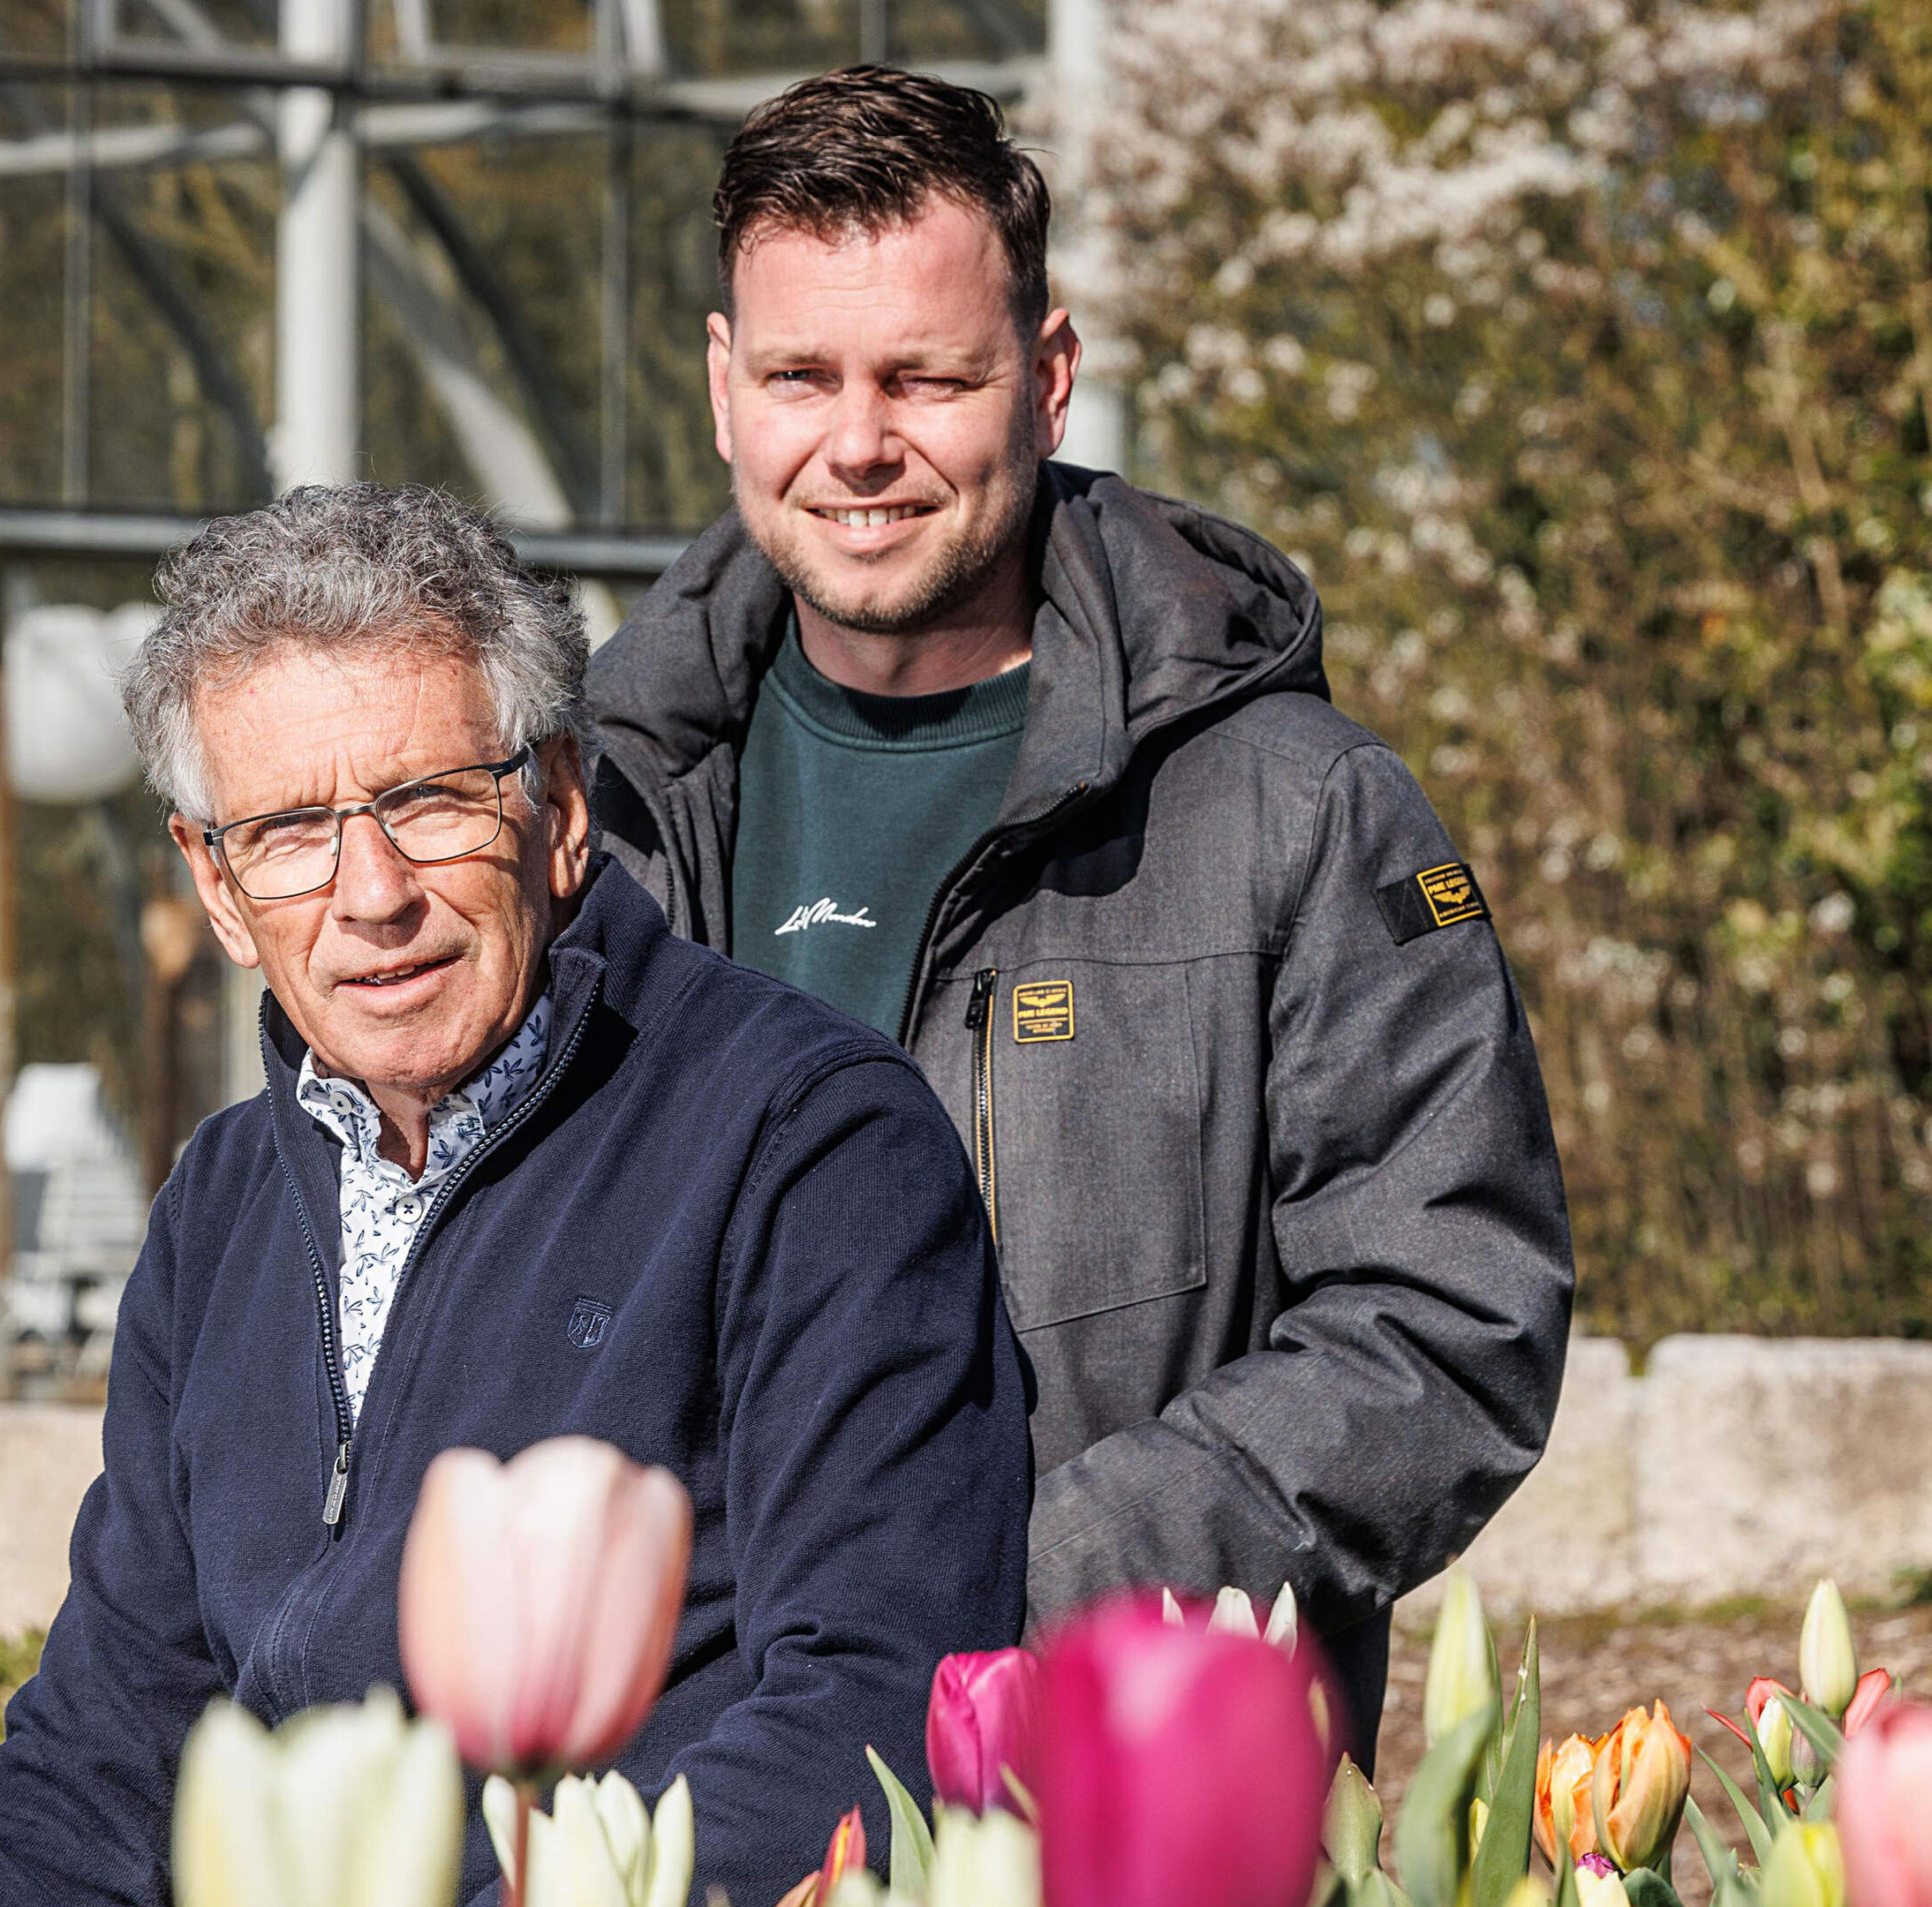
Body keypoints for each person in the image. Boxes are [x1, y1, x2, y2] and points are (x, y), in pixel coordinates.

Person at [585, 65, 1575, 1750]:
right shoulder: (595, 820)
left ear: (1048, 380)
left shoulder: (1297, 811)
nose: (858, 444)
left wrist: (1009, 1589)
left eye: (928, 378)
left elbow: (1449, 1315)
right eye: (801, 375)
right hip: (675, 1782)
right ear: (719, 383)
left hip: (1123, 1774)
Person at [0, 485, 1032, 1907]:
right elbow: (110, 1745)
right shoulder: (223, 1209)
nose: (368, 893)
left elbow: (872, 1704)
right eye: (289, 831)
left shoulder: (809, 1143)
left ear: (558, 809)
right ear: (216, 885)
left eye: (428, 801)